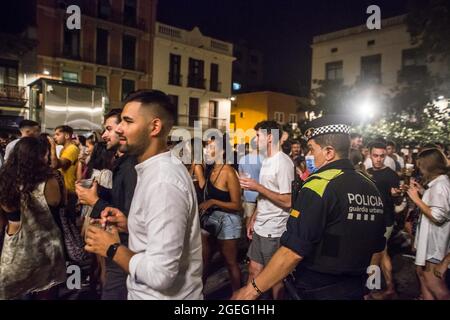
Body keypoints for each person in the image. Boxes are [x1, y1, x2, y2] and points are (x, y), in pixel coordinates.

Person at [233, 115, 386, 300]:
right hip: (355, 287)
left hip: (318, 287)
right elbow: (377, 248)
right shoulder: (371, 186)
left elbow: (292, 252)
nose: (309, 155)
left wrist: (249, 292)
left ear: (329, 152)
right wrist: (368, 287)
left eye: (312, 149)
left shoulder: (318, 186)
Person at [83, 90, 203, 300]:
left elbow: (161, 274)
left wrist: (111, 248)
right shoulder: (151, 170)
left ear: (154, 127)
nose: (119, 129)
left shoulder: (163, 182)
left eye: (128, 121)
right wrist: (131, 224)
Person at [75, 109, 137, 300]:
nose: (103, 135)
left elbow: (130, 218)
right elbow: (118, 199)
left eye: (108, 129)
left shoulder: (132, 165)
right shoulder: (120, 162)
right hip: (117, 243)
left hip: (124, 246)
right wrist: (98, 194)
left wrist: (95, 201)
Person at [0, 137, 66, 300]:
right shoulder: (50, 180)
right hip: (46, 246)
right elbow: (59, 204)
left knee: (16, 292)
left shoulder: (4, 181)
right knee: (46, 292)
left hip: (14, 245)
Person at [239, 120, 294, 300]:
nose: (255, 140)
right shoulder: (267, 161)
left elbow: (288, 201)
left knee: (275, 278)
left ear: (270, 137)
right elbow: (264, 195)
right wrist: (254, 218)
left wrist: (257, 187)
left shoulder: (283, 163)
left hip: (275, 229)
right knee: (253, 270)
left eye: (258, 135)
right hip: (261, 225)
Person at [200, 133, 243, 293]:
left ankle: (237, 295)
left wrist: (213, 202)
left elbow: (237, 205)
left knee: (230, 262)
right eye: (206, 146)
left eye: (211, 147)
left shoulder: (228, 172)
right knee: (204, 260)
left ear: (222, 151)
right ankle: (198, 295)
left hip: (229, 222)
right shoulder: (211, 170)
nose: (206, 150)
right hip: (212, 220)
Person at [407, 148, 450, 300]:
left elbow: (438, 216)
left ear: (429, 166)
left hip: (435, 247)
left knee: (435, 285)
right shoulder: (438, 185)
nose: (419, 169)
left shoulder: (440, 186)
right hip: (431, 245)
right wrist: (423, 194)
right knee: (424, 278)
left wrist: (417, 200)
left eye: (420, 165)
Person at [366, 141, 402, 300]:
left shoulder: (391, 174)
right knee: (383, 253)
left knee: (375, 254)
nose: (379, 159)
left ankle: (371, 290)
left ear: (385, 156)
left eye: (382, 156)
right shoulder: (366, 172)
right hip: (370, 220)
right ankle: (390, 287)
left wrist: (397, 195)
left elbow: (398, 200)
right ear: (369, 154)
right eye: (375, 155)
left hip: (385, 220)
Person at [49, 125, 80, 222]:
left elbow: (55, 165)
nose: (55, 137)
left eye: (58, 134)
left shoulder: (72, 149)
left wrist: (52, 147)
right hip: (65, 191)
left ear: (66, 136)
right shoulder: (64, 149)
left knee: (69, 223)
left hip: (69, 192)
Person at [238, 136, 263, 228]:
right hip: (261, 194)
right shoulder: (264, 159)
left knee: (248, 217)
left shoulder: (242, 159)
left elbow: (241, 177)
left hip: (247, 194)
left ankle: (248, 240)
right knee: (257, 220)